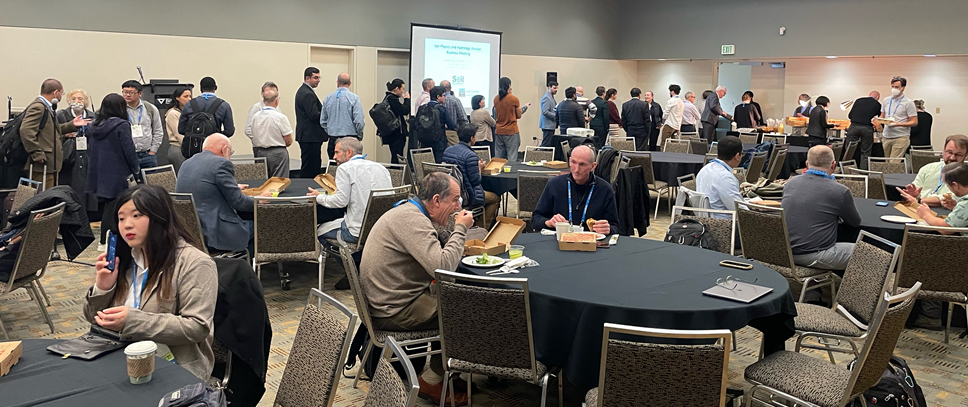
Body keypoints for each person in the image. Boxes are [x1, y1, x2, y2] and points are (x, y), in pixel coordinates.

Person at [359, 172, 474, 405]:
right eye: (454, 200)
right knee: (463, 310)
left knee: (452, 299)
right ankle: (432, 380)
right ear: (436, 200)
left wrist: (450, 234)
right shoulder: (412, 220)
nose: (457, 206)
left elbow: (433, 241)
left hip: (388, 298)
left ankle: (450, 371)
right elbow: (441, 267)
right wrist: (460, 229)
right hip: (394, 309)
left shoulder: (410, 211)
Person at [84, 184, 217, 381]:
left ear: (159, 218)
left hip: (173, 369)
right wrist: (103, 287)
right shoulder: (126, 261)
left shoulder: (195, 263)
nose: (127, 225)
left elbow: (197, 327)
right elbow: (92, 318)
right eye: (121, 218)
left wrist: (133, 321)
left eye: (136, 216)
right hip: (121, 360)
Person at [176, 134, 266, 254]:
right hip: (214, 232)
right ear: (225, 149)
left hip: (190, 232)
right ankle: (244, 268)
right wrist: (259, 200)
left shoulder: (187, 163)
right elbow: (239, 202)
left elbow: (204, 187)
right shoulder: (222, 164)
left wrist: (231, 187)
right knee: (259, 225)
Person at [782, 146, 861, 274]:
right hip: (814, 254)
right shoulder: (840, 191)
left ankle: (819, 289)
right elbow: (855, 222)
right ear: (833, 165)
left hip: (783, 251)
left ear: (806, 164)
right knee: (872, 254)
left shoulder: (790, 183)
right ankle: (857, 293)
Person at [912, 161, 968, 329]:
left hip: (962, 260)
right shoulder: (963, 203)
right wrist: (955, 208)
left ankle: (930, 314)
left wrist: (926, 214)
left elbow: (944, 229)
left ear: (956, 185)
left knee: (927, 258)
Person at [307, 137, 391, 243]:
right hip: (382, 230)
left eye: (337, 152)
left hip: (357, 232)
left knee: (317, 231)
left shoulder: (345, 169)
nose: (334, 157)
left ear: (349, 152)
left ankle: (348, 258)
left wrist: (318, 197)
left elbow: (340, 201)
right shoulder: (381, 168)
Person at [86, 93, 140, 246]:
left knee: (108, 207)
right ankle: (114, 238)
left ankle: (104, 239)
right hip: (118, 172)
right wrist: (136, 169)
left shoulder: (93, 126)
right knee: (118, 207)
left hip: (98, 173)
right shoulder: (122, 125)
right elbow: (128, 150)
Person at [531, 145, 620, 235]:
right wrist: (548, 222)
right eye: (573, 162)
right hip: (559, 242)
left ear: (593, 166)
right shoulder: (554, 184)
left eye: (582, 164)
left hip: (592, 244)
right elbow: (535, 219)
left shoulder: (605, 190)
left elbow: (616, 227)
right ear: (569, 161)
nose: (576, 169)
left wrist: (608, 229)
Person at [21, 79, 89, 188]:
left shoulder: (46, 107)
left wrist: (72, 124)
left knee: (49, 195)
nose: (61, 96)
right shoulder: (39, 107)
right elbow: (26, 131)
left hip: (50, 164)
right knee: (43, 198)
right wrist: (37, 153)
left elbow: (51, 130)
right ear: (56, 92)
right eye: (61, 93)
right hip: (42, 164)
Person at [443, 124, 501, 227]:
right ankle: (482, 228)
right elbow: (476, 181)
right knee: (495, 198)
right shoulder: (470, 156)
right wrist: (479, 168)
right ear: (472, 138)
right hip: (467, 195)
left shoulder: (448, 150)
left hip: (449, 191)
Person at [898, 134, 968, 207]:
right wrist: (914, 195)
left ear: (966, 155)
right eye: (949, 152)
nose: (952, 157)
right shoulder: (928, 168)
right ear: (943, 150)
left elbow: (953, 198)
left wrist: (919, 201)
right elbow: (916, 189)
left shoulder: (965, 175)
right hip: (919, 208)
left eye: (958, 154)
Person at [248, 87, 294, 178]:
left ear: (263, 100)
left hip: (260, 152)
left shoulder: (255, 117)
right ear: (277, 101)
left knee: (262, 181)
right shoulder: (280, 117)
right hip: (278, 153)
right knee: (279, 182)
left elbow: (251, 132)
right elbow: (288, 140)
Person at [56, 89, 95, 193]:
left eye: (80, 98)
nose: (77, 101)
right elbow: (53, 132)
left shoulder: (93, 117)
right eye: (73, 99)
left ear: (86, 101)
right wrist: (65, 134)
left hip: (87, 155)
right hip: (68, 157)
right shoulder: (61, 115)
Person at [696, 136, 744, 219]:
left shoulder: (706, 168)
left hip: (705, 219)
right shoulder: (725, 177)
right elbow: (739, 209)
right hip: (723, 225)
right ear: (737, 156)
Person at [120, 80, 164, 171]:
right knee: (129, 183)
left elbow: (158, 130)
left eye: (131, 92)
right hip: (127, 155)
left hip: (147, 154)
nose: (127, 95)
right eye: (125, 92)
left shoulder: (150, 108)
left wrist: (153, 150)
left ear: (140, 93)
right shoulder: (119, 109)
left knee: (150, 183)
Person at [320, 73, 365, 160]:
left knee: (334, 167)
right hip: (350, 139)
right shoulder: (354, 98)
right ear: (350, 83)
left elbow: (323, 121)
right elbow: (359, 121)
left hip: (333, 139)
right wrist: (359, 136)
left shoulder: (328, 98)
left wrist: (331, 131)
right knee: (351, 167)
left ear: (337, 82)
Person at [875, 76, 918, 158]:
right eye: (893, 87)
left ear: (903, 88)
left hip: (901, 136)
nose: (894, 89)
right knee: (887, 163)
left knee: (894, 163)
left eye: (897, 87)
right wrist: (877, 121)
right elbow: (882, 116)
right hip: (886, 136)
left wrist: (899, 124)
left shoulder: (908, 103)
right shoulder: (886, 100)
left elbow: (914, 121)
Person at [295, 67, 327, 178]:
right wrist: (327, 113)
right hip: (310, 136)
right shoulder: (307, 93)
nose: (318, 80)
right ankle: (306, 188)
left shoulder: (305, 91)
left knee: (311, 165)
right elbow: (313, 115)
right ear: (307, 78)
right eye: (316, 77)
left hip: (308, 136)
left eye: (319, 77)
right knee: (310, 168)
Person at [493, 77, 530, 161]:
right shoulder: (514, 99)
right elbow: (518, 115)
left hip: (499, 130)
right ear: (509, 85)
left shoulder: (496, 99)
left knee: (498, 156)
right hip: (511, 131)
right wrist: (525, 107)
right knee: (512, 156)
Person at [845, 91, 881, 169]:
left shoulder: (859, 100)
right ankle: (863, 173)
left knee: (849, 150)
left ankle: (847, 170)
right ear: (877, 97)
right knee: (865, 152)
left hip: (854, 127)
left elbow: (850, 115)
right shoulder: (877, 104)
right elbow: (879, 119)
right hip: (867, 128)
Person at [421, 85, 457, 163]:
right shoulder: (441, 109)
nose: (445, 97)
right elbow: (451, 125)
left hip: (424, 141)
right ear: (438, 97)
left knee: (427, 164)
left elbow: (416, 124)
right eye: (443, 95)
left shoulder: (422, 108)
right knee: (438, 165)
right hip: (439, 142)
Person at [381, 79, 410, 164]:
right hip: (396, 133)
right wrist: (406, 100)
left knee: (395, 155)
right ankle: (396, 175)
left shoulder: (387, 98)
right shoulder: (392, 99)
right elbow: (403, 110)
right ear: (397, 88)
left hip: (391, 132)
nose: (403, 91)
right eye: (402, 89)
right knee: (397, 157)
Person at [164, 87, 192, 173]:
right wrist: (189, 148)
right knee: (182, 174)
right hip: (178, 148)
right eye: (185, 96)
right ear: (177, 98)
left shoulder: (188, 111)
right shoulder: (173, 113)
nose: (189, 99)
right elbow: (178, 134)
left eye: (190, 96)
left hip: (188, 147)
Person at [439, 80, 468, 146]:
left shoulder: (436, 100)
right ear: (450, 88)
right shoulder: (455, 100)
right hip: (452, 133)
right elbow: (463, 117)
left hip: (438, 134)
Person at [539, 81, 558, 147]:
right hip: (547, 125)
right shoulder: (547, 97)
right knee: (546, 144)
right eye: (554, 88)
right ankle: (540, 156)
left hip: (550, 125)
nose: (556, 90)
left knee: (548, 144)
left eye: (557, 88)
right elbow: (545, 112)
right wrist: (556, 116)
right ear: (549, 87)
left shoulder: (551, 97)